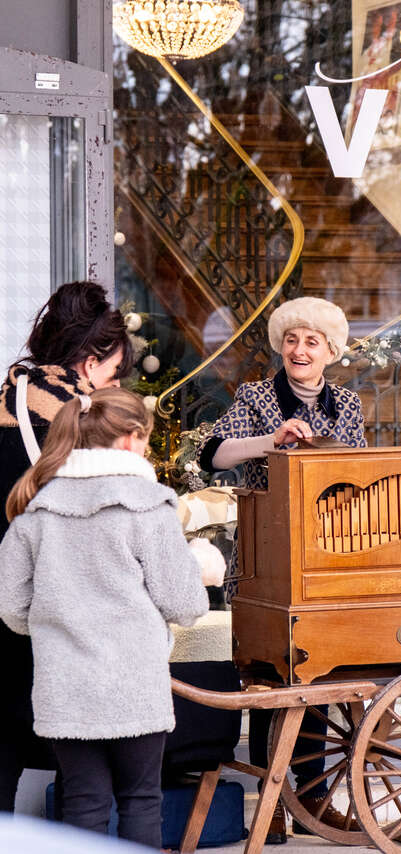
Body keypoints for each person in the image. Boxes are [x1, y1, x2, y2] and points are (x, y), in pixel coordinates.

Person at [0, 387, 210, 848]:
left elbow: (13, 610)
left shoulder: (34, 509)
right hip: (135, 685)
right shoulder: (149, 507)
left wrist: (58, 626)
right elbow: (187, 605)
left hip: (65, 688)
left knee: (82, 800)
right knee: (140, 799)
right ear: (133, 438)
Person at [194, 296, 366, 843]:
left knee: (320, 676)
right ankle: (271, 802)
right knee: (271, 676)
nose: (299, 349)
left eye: (312, 341)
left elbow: (361, 472)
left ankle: (311, 796)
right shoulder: (255, 396)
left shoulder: (347, 404)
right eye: (292, 339)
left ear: (331, 352)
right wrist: (271, 441)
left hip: (328, 555)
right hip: (267, 560)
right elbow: (212, 455)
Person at [0, 281, 134, 813]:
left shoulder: (9, 397)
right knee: (83, 752)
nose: (114, 384)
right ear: (90, 360)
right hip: (51, 594)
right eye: (115, 372)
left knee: (3, 738)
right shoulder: (74, 419)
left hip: (6, 583)